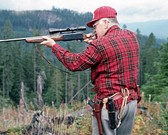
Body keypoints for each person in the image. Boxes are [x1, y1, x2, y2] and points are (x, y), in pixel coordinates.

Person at [40, 6, 140, 135]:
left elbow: (74, 63)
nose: (94, 29)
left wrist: (53, 46)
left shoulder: (99, 45)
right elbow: (112, 52)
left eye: (95, 25)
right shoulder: (131, 35)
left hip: (109, 106)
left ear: (105, 22)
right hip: (130, 102)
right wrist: (95, 42)